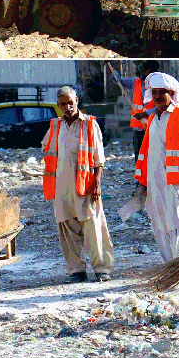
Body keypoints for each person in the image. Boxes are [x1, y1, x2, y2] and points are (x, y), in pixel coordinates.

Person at [132, 71, 179, 261]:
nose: (157, 96)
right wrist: (143, 183)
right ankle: (170, 267)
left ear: (171, 93)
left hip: (177, 182)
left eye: (161, 92)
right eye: (154, 92)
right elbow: (148, 153)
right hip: (155, 183)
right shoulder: (152, 120)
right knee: (159, 225)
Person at [42, 86, 113, 283]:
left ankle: (102, 269)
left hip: (85, 185)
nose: (67, 107)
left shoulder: (89, 124)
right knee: (67, 229)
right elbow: (47, 149)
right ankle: (76, 271)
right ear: (58, 105)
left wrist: (97, 184)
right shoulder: (55, 125)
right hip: (61, 186)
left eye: (70, 102)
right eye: (63, 104)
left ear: (77, 101)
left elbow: (99, 159)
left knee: (93, 226)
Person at [107, 60, 160, 158]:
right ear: (144, 71)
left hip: (153, 127)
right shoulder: (136, 82)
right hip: (139, 128)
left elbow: (161, 106)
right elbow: (119, 81)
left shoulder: (159, 85)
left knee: (152, 156)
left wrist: (145, 114)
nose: (152, 75)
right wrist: (111, 69)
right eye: (150, 72)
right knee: (139, 155)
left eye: (154, 73)